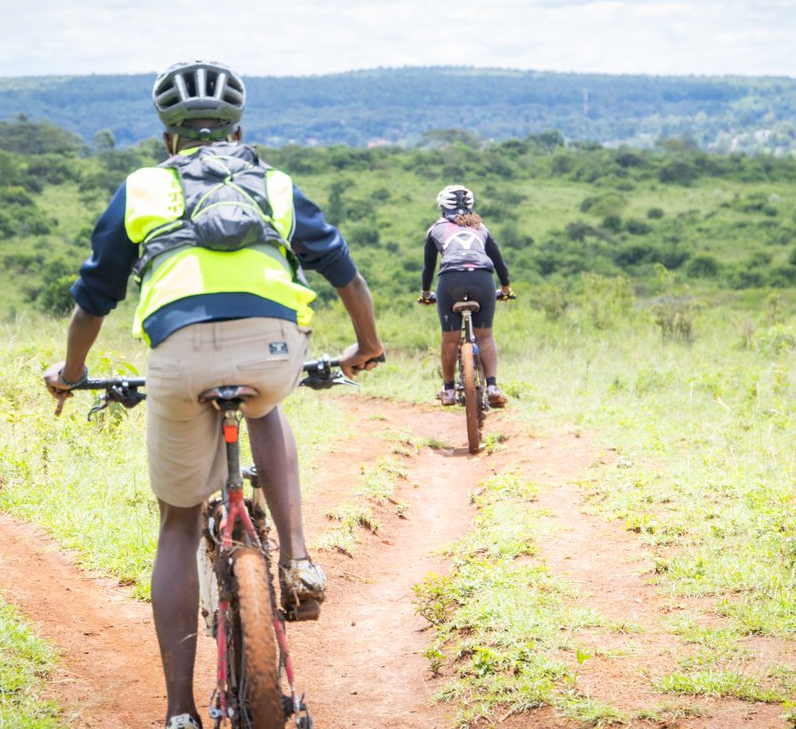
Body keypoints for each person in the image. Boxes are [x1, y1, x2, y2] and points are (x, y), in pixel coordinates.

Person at [42, 60, 384, 729]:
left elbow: (93, 300)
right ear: (239, 130)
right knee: (267, 401)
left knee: (177, 523)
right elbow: (346, 274)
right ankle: (301, 556)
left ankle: (178, 710)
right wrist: (366, 346)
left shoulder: (142, 187)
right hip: (274, 346)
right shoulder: (276, 184)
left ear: (169, 137)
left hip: (179, 352)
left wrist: (73, 371)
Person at [419, 184, 513, 408]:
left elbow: (428, 268)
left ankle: (449, 390)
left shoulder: (435, 229)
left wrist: (425, 294)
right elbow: (499, 263)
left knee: (449, 339)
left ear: (442, 207)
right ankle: (492, 386)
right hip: (482, 278)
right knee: (486, 336)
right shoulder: (480, 227)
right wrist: (507, 290)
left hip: (450, 281)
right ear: (471, 206)